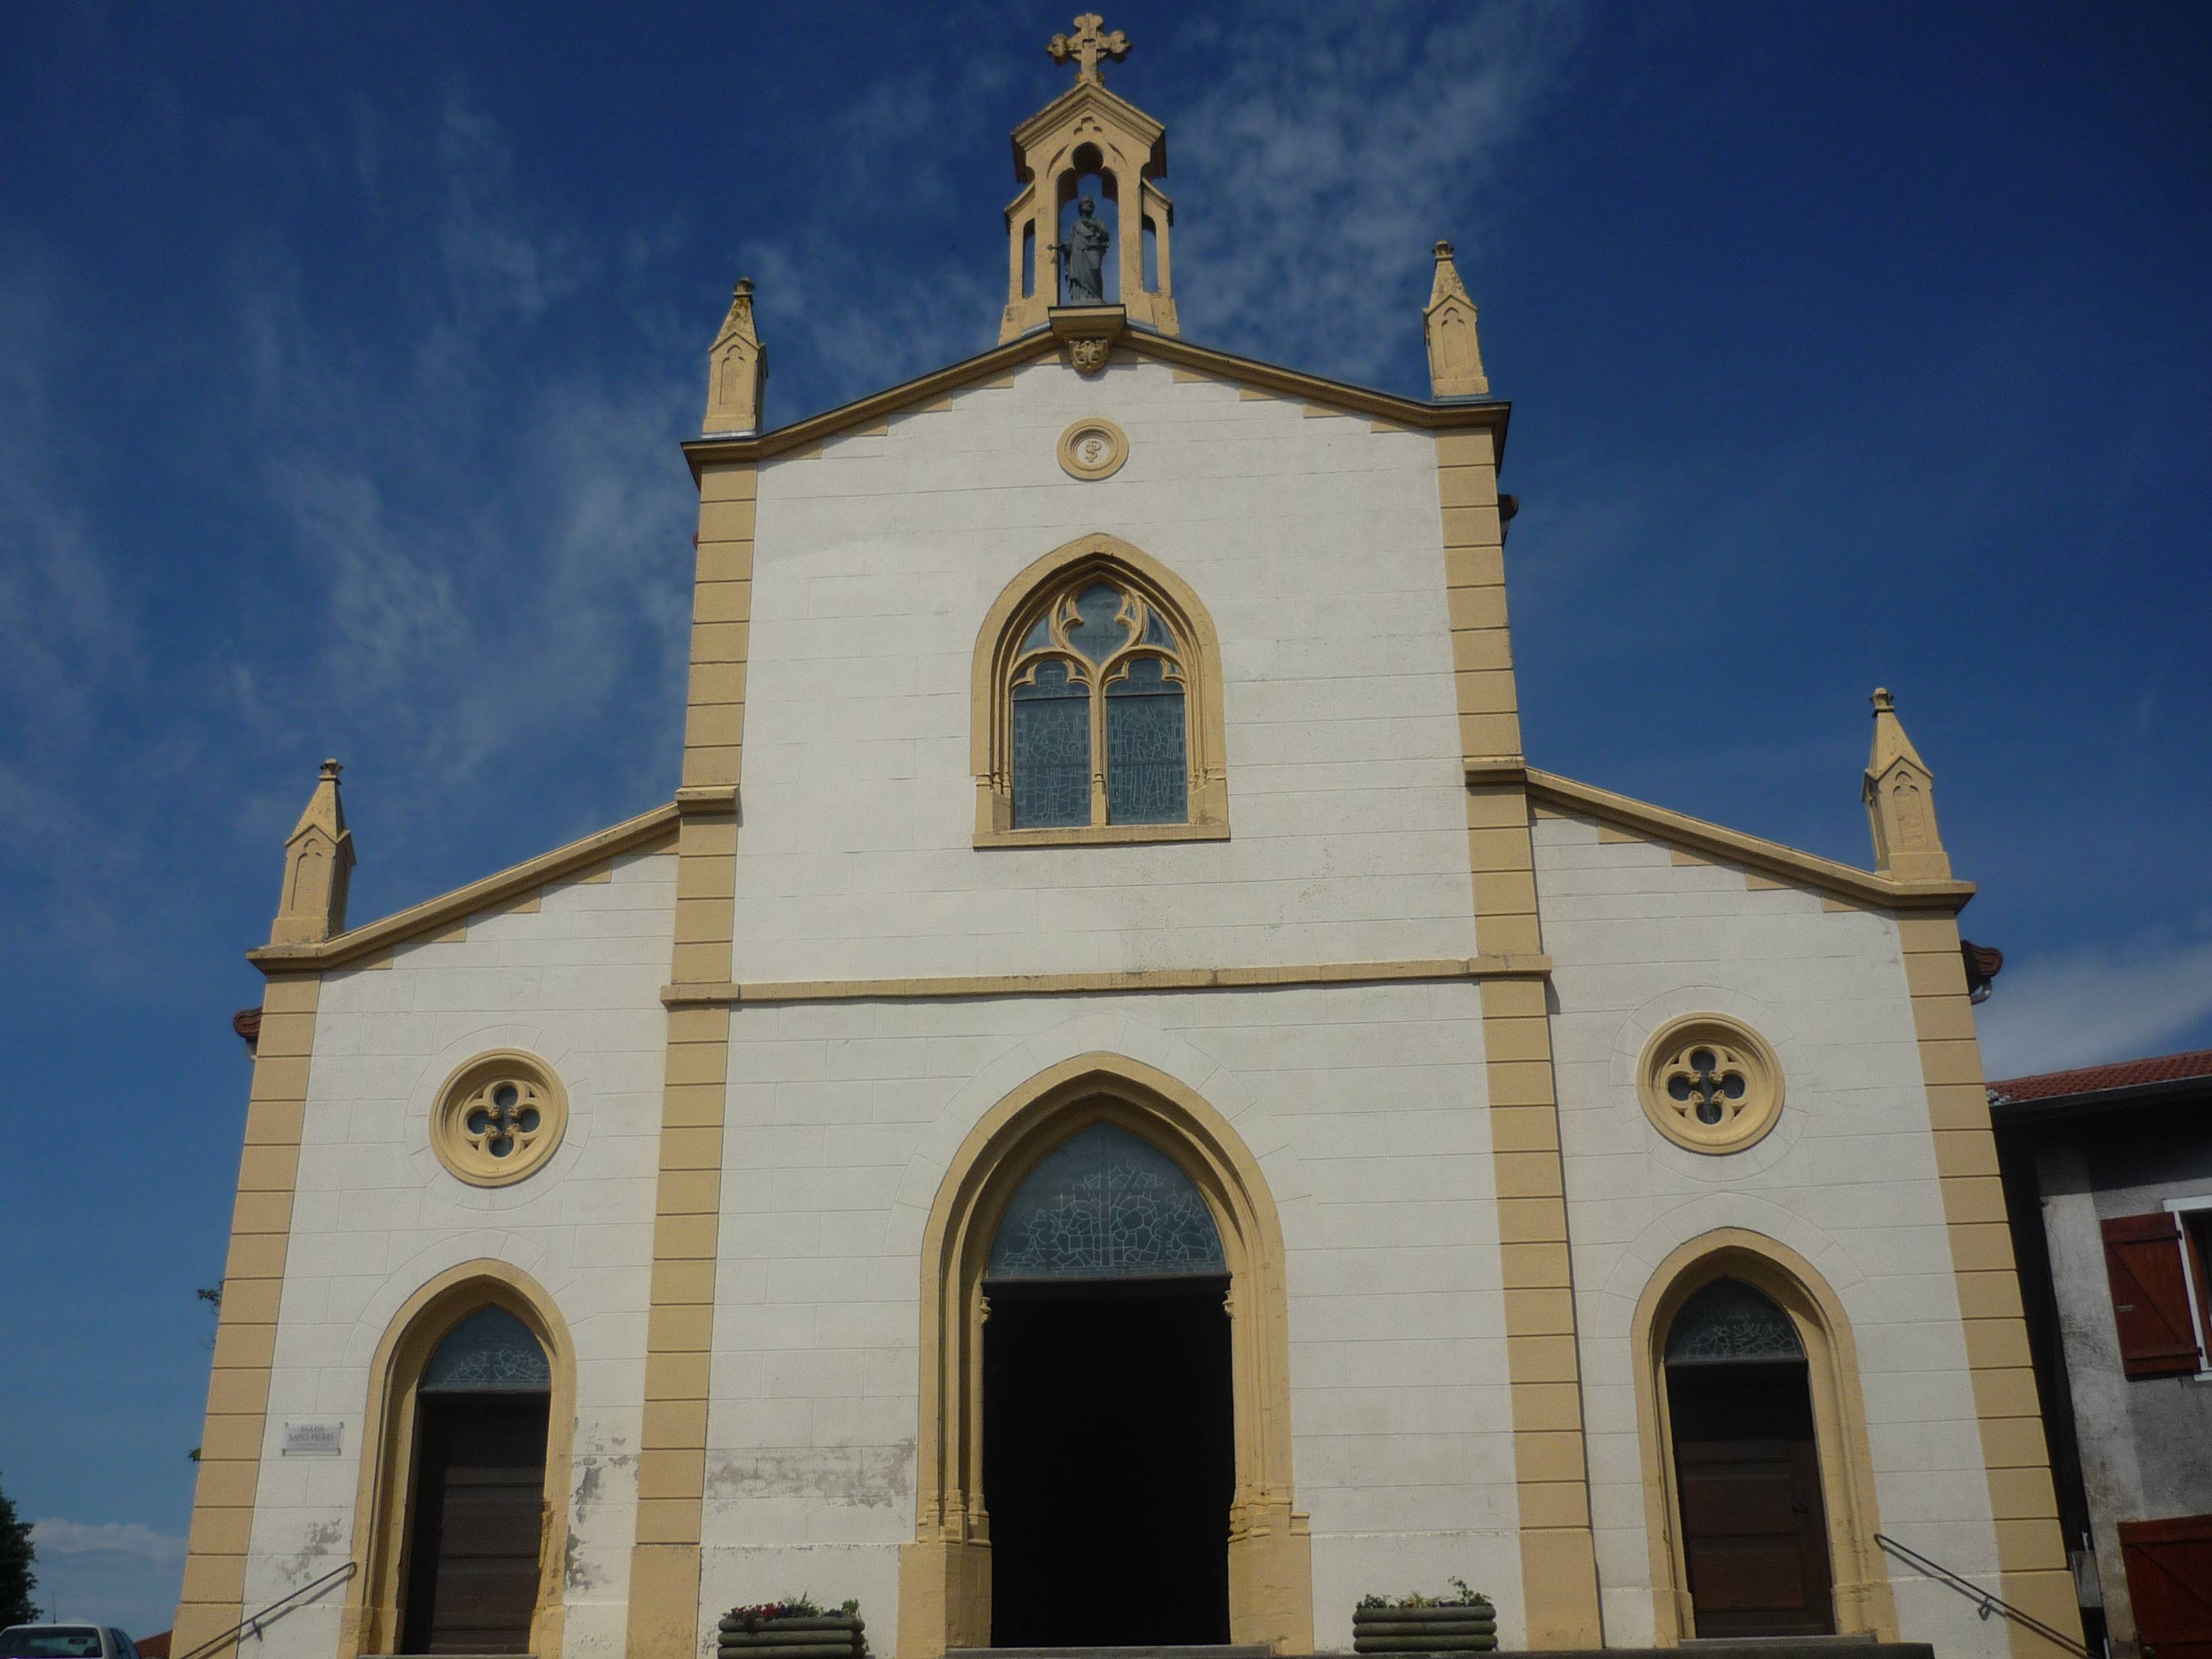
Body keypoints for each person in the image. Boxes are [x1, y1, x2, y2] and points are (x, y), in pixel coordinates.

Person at [1058, 196, 1109, 304]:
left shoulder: (1098, 222)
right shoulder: (1076, 226)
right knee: (1079, 275)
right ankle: (1081, 297)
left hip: (1094, 251)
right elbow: (1072, 241)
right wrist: (1065, 247)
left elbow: (1105, 237)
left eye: (1091, 202)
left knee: (1095, 269)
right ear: (1080, 207)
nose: (1090, 204)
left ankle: (1096, 296)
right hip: (1078, 252)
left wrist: (1096, 226)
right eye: (1087, 202)